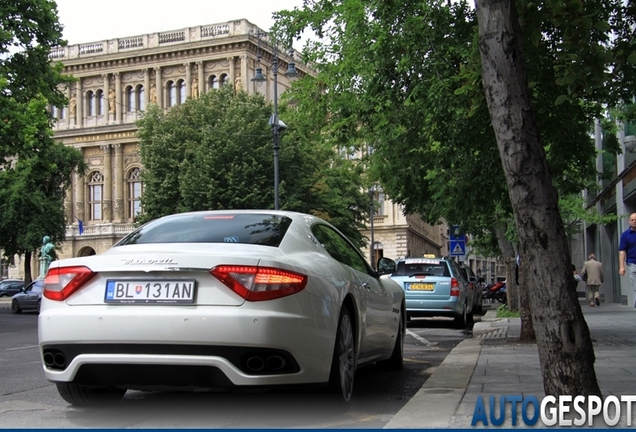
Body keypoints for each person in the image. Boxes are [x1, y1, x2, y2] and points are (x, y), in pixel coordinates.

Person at [619, 212, 636, 308]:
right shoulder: (625, 235)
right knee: (634, 286)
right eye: (632, 220)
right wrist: (621, 266)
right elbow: (622, 251)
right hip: (632, 263)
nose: (634, 221)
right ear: (629, 221)